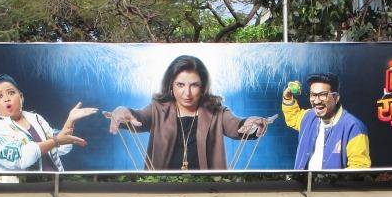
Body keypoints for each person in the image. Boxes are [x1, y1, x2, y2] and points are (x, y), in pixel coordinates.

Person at [105, 55, 269, 171]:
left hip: (206, 189)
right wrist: (122, 111)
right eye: (180, 85)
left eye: (194, 85)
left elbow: (235, 125)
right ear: (171, 85)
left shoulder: (217, 112)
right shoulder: (157, 109)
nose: (187, 93)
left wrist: (250, 123)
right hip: (163, 189)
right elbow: (139, 117)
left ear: (203, 87)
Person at [0, 74, 96, 172]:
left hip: (55, 184)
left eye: (11, 93)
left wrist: (70, 121)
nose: (6, 98)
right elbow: (20, 158)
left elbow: (61, 147)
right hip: (17, 189)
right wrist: (56, 141)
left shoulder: (35, 118)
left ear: (21, 97)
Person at [281, 73, 370, 170]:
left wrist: (330, 178)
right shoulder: (308, 117)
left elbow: (359, 167)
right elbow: (293, 117)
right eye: (313, 95)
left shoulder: (354, 127)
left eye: (323, 95)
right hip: (304, 180)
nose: (316, 101)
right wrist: (287, 97)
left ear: (336, 97)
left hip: (333, 181)